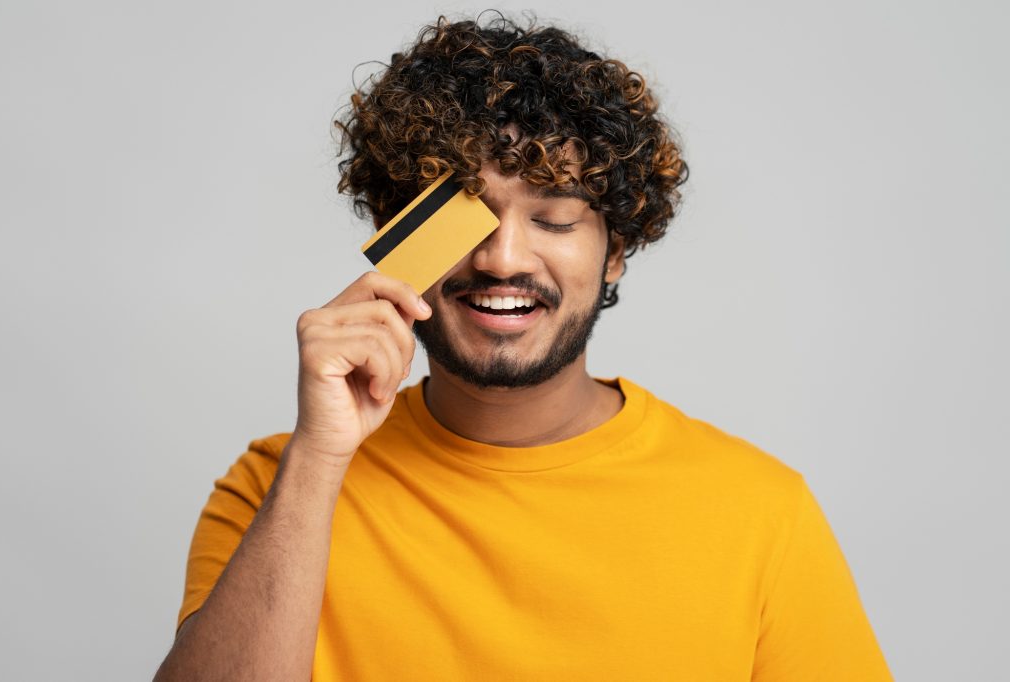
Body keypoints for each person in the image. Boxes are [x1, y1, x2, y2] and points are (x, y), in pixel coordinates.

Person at [155, 15, 893, 682]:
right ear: (397, 238)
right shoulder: (275, 488)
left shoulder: (761, 512)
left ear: (615, 253)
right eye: (465, 216)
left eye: (556, 219)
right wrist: (319, 459)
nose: (502, 258)